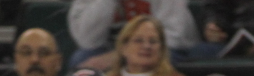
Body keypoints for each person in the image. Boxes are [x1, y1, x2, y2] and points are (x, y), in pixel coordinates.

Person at [67, 0, 201, 69]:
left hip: (164, 48)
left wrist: (120, 56)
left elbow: (174, 36)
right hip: (111, 48)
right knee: (81, 60)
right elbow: (87, 41)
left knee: (149, 61)